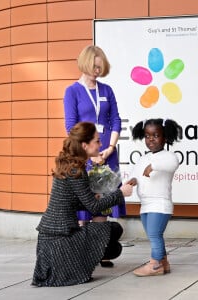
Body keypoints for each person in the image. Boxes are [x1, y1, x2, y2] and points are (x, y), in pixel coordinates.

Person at [31, 122, 133, 287]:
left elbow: (73, 202)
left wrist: (92, 197)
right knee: (114, 235)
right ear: (85, 145)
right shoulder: (76, 170)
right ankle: (74, 265)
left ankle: (78, 261)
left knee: (113, 243)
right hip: (60, 240)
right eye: (97, 141)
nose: (101, 144)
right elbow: (93, 207)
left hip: (51, 239)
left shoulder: (70, 165)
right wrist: (120, 193)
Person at [63, 45, 125, 267]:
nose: (98, 71)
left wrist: (110, 148)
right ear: (85, 64)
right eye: (94, 66)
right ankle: (82, 253)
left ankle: (101, 250)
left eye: (101, 67)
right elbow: (71, 127)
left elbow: (116, 119)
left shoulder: (107, 90)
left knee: (104, 204)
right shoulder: (72, 91)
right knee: (84, 206)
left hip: (107, 153)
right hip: (86, 156)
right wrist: (89, 156)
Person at [127, 118, 180, 276]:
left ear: (165, 137)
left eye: (155, 135)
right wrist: (132, 181)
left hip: (160, 204)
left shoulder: (168, 156)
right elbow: (135, 174)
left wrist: (154, 166)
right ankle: (164, 262)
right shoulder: (143, 159)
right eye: (147, 136)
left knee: (154, 234)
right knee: (154, 234)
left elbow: (173, 164)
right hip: (146, 205)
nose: (151, 139)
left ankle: (154, 265)